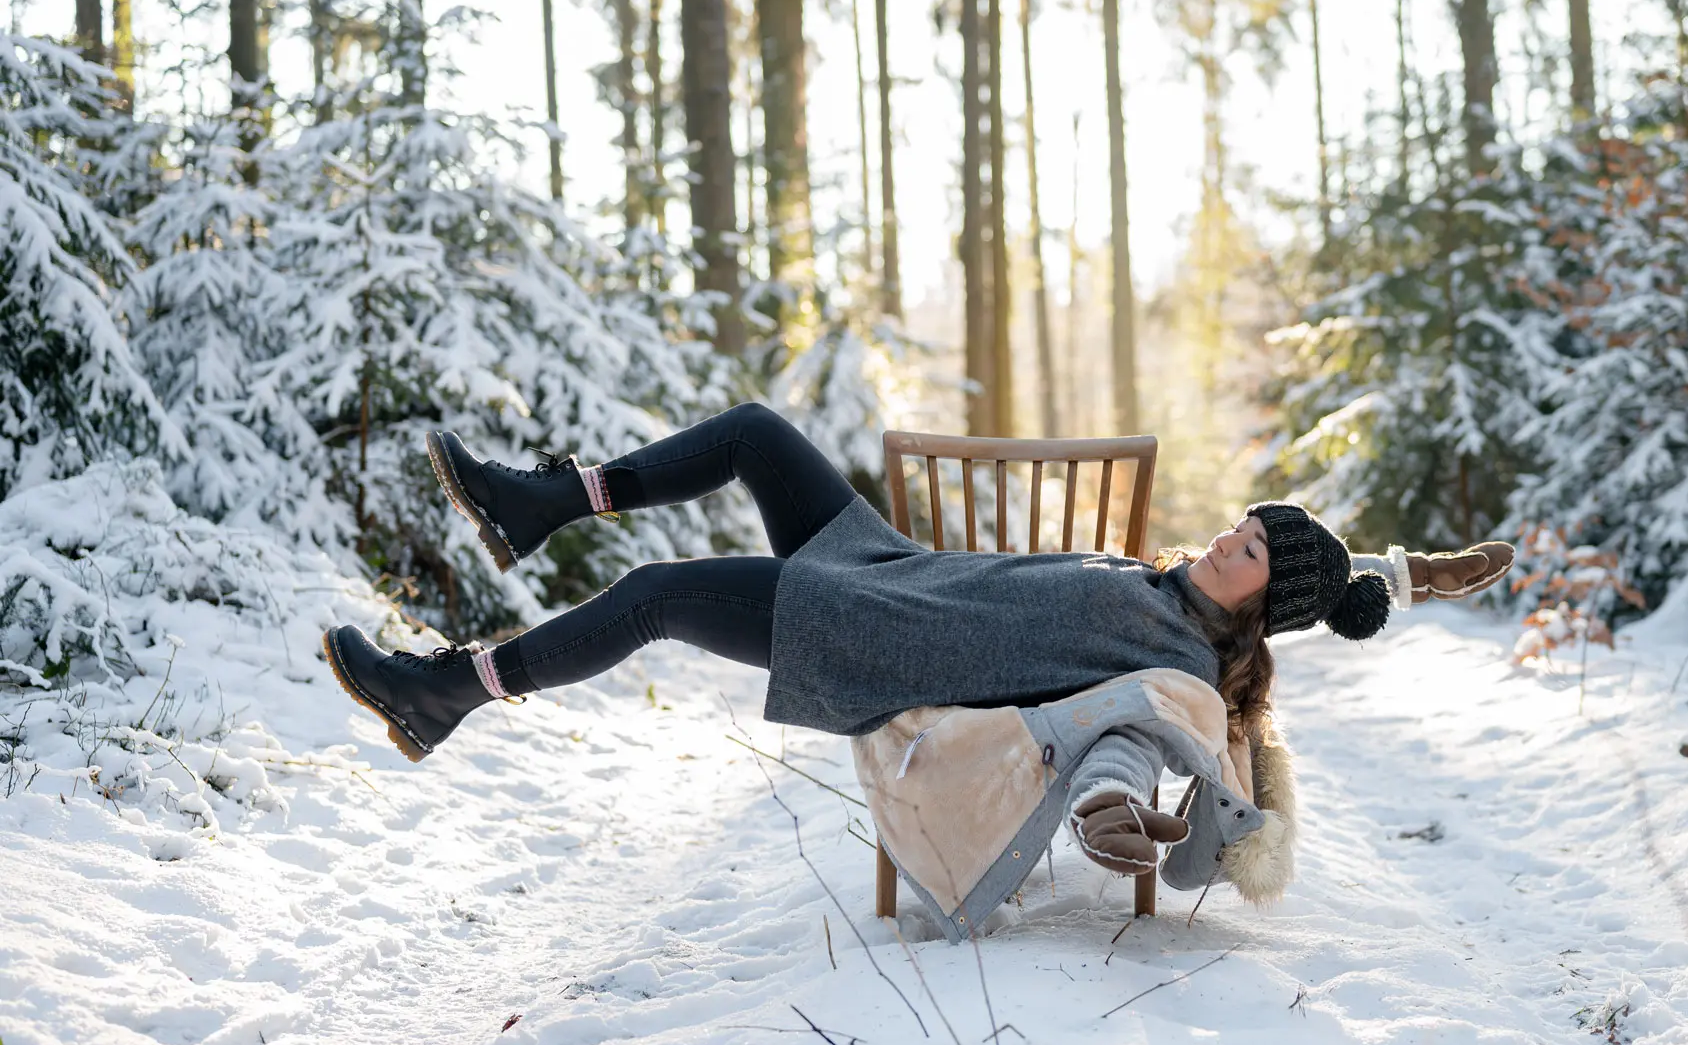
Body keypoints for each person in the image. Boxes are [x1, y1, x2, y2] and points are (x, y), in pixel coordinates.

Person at [323, 402, 1513, 877]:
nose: (1222, 537)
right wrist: (1404, 573)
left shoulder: (1184, 669)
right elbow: (1330, 583)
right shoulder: (1166, 584)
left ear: (1257, 607)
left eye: (1247, 550)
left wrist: (1144, 817)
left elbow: (1191, 753)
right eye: (1241, 523)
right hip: (893, 570)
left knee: (653, 594)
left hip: (874, 636)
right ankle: (542, 501)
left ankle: (449, 692)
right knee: (752, 432)